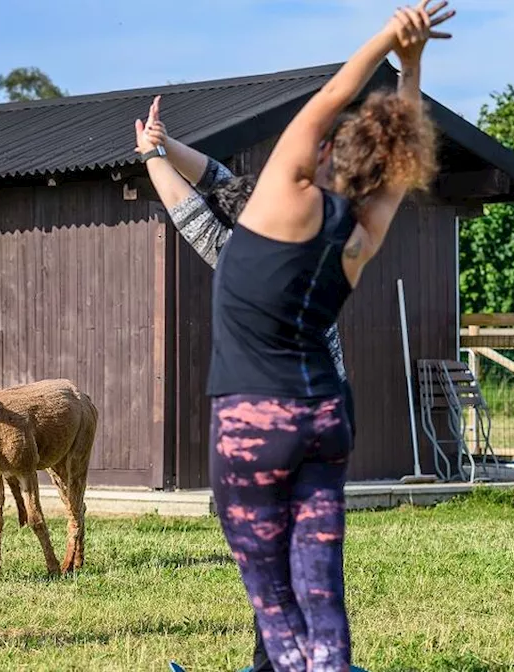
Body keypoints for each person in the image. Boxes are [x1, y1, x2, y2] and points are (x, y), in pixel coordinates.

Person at [193, 0, 450, 669]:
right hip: (326, 418)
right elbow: (400, 163)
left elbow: (335, 91)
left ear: (328, 148)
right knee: (321, 595)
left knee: (276, 607)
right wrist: (413, 68)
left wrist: (393, 41)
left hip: (253, 417)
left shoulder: (285, 193)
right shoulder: (360, 236)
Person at [133, 97, 352, 672]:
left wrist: (153, 153)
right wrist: (164, 143)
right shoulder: (302, 249)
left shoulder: (241, 256)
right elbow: (223, 183)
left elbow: (194, 211)